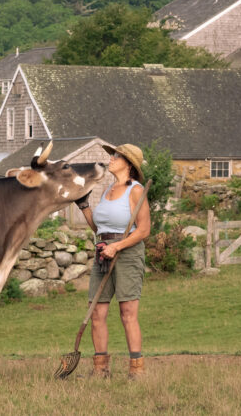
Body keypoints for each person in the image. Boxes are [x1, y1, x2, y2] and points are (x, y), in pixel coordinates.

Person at [75, 143, 151, 379]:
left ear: (128, 164)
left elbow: (143, 230)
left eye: (117, 156)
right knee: (96, 312)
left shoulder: (136, 191)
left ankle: (136, 370)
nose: (111, 159)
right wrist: (85, 207)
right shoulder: (108, 189)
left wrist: (117, 246)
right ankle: (100, 369)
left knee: (127, 312)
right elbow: (100, 229)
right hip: (103, 253)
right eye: (113, 155)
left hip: (127, 254)